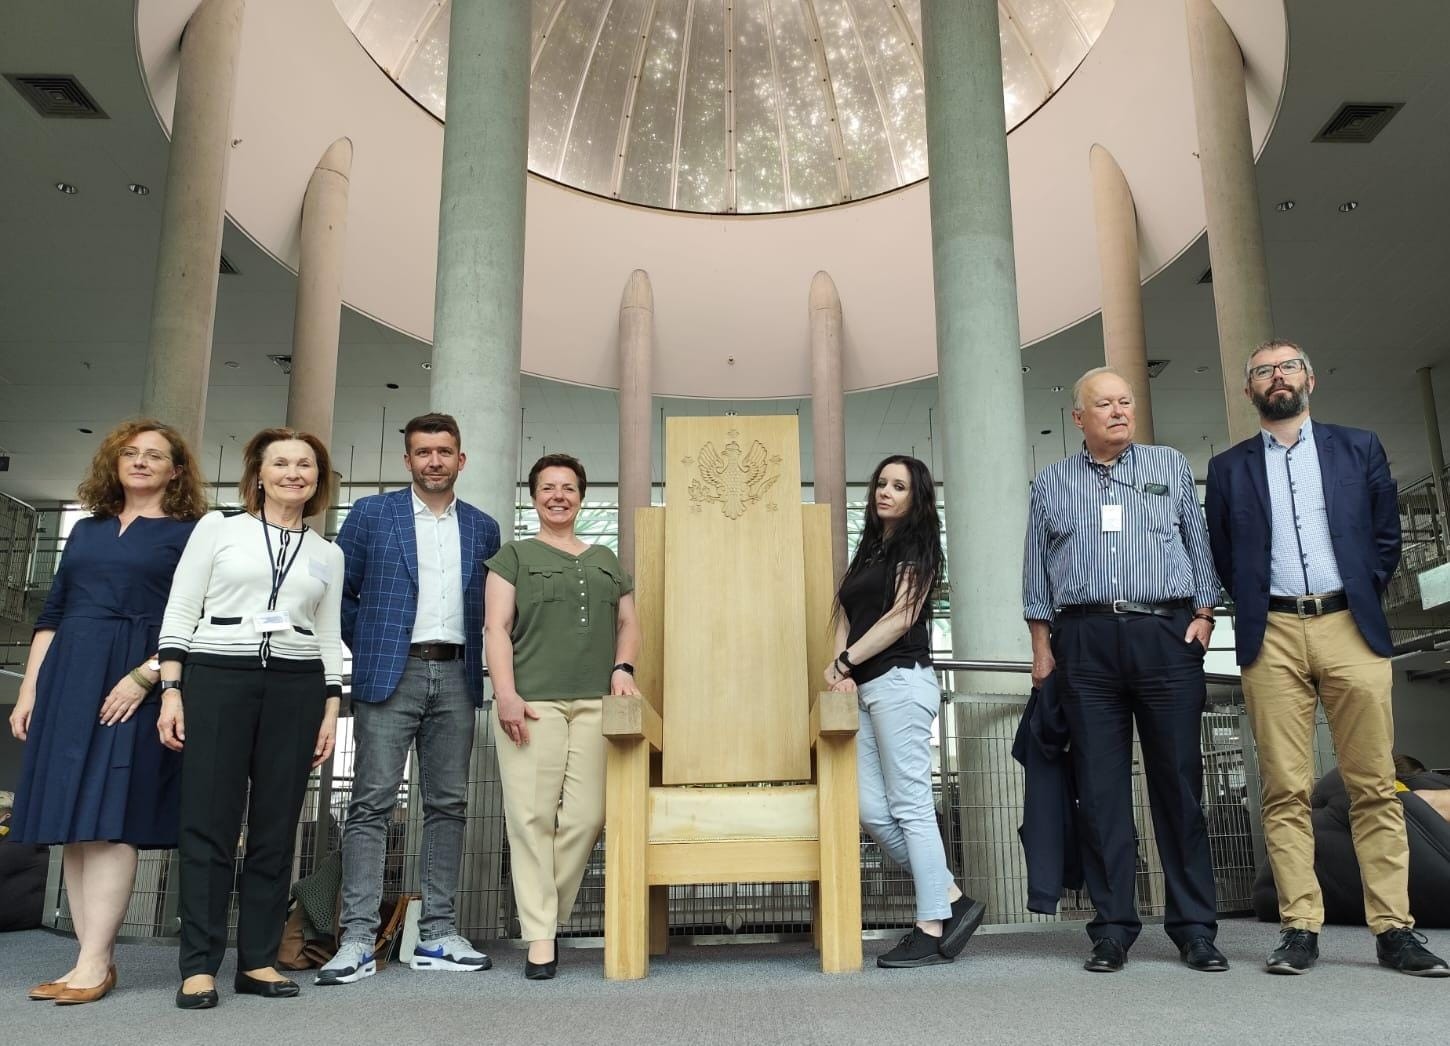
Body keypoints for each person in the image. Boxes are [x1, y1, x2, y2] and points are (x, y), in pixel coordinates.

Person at [1204, 339, 1449, 977]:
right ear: (1249, 390)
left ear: (1309, 378)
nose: (1277, 377)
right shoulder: (1228, 468)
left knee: (1374, 784)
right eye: (1263, 371)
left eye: (1288, 366)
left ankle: (1394, 930)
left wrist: (1359, 590)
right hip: (1272, 631)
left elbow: (1385, 535)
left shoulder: (1358, 447)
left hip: (1349, 625)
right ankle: (1299, 928)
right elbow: (1225, 553)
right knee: (1284, 789)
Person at [1022, 366, 1226, 974]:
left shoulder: (1169, 466)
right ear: (1078, 418)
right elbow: (1036, 570)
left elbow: (1199, 545)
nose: (1118, 412)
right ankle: (1112, 928)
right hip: (1083, 641)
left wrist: (1205, 615)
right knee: (1100, 792)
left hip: (1165, 634)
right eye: (1104, 404)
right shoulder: (1052, 481)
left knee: (1179, 785)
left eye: (1125, 402)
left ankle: (1195, 929)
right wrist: (1042, 648)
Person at [8, 419, 206, 1004]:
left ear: (176, 470)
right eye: (131, 452)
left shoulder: (192, 533)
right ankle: (86, 959)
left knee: (110, 818)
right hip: (70, 673)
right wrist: (29, 690)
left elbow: (196, 616)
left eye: (155, 455)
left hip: (136, 674)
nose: (140, 461)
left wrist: (147, 676)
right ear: (114, 463)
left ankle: (96, 961)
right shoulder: (86, 529)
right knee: (73, 824)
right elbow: (52, 614)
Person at [156, 428, 346, 1008]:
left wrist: (331, 707)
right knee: (208, 823)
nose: (294, 473)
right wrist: (171, 690)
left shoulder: (328, 553)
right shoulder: (219, 528)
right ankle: (199, 966)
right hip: (217, 677)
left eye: (306, 465)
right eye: (281, 463)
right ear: (258, 474)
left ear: (318, 479)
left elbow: (329, 634)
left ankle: (258, 960)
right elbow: (181, 609)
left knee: (275, 828)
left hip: (297, 687)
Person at [317, 413, 500, 986]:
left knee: (449, 805)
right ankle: (356, 939)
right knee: (371, 804)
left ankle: (438, 933)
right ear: (408, 460)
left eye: (444, 451)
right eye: (423, 452)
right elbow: (339, 593)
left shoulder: (484, 527)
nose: (434, 461)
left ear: (460, 459)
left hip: (458, 675)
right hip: (389, 675)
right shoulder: (371, 515)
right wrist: (374, 644)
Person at [822, 455, 985, 969]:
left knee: (910, 805)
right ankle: (952, 897)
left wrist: (846, 661)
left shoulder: (918, 545)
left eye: (899, 486)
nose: (885, 491)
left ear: (916, 498)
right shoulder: (869, 551)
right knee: (871, 808)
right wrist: (842, 669)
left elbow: (901, 618)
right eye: (882, 483)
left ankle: (931, 925)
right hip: (866, 689)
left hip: (900, 682)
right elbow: (846, 616)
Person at [484, 453, 640, 980]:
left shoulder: (605, 559)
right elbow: (496, 628)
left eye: (568, 487)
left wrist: (622, 668)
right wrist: (505, 693)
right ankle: (541, 937)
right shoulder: (513, 556)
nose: (558, 496)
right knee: (530, 821)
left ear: (581, 496)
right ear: (534, 497)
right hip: (531, 705)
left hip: (596, 704)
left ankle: (544, 915)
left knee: (586, 817)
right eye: (548, 487)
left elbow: (628, 623)